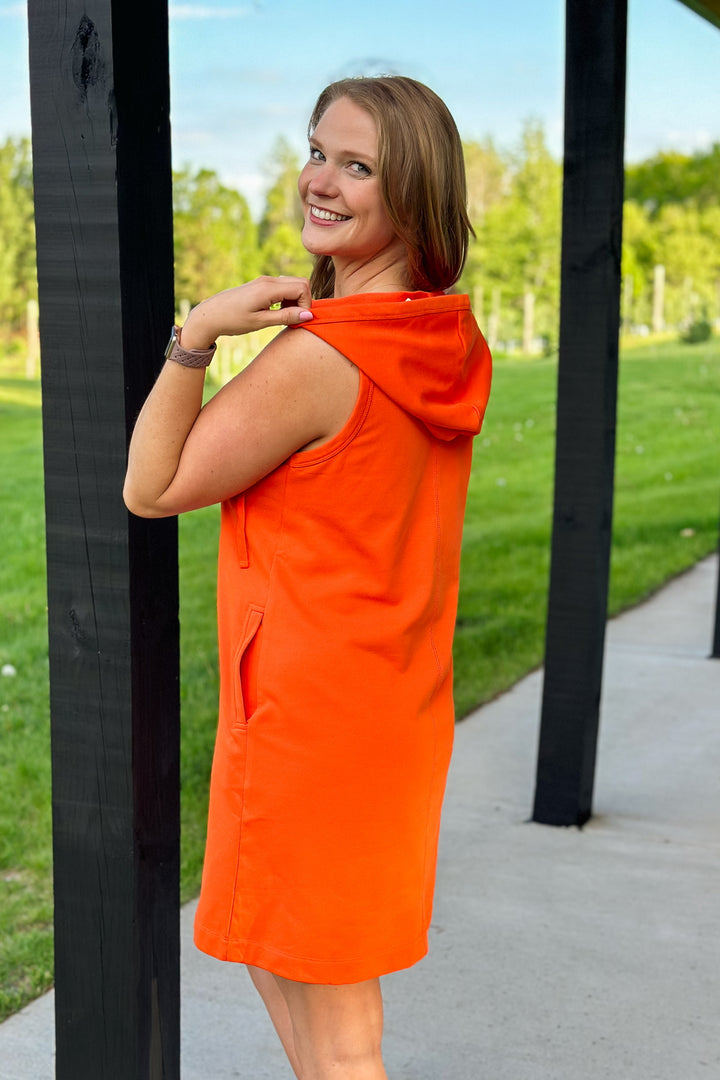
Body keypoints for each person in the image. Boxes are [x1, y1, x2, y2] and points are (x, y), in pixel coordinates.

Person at [124, 75, 491, 1080]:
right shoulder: (440, 337)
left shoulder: (320, 362)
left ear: (411, 194)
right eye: (317, 150)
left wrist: (194, 335)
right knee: (291, 976)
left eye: (357, 165)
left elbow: (152, 487)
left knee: (340, 1040)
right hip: (385, 705)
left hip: (310, 720)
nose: (319, 181)